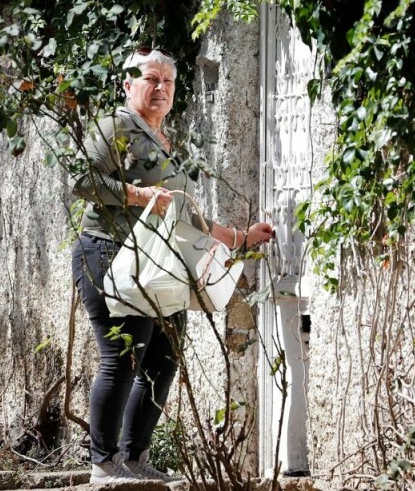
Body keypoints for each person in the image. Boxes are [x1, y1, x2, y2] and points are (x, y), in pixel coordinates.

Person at [70, 47, 275, 484]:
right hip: (109, 254)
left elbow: (184, 213)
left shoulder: (165, 140)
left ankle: (133, 458)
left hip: (158, 264)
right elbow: (82, 180)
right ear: (128, 84)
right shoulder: (117, 126)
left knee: (164, 359)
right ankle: (103, 465)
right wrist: (140, 196)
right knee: (122, 359)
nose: (160, 87)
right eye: (150, 79)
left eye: (168, 81)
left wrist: (240, 238)